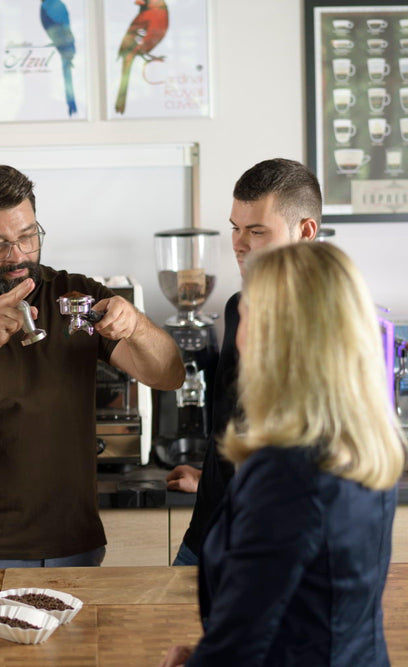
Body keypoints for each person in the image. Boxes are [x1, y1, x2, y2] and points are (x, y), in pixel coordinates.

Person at [0, 165, 184, 568]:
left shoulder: (75, 294)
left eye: (28, 237)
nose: (18, 257)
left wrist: (136, 326)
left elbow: (169, 375)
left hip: (77, 544)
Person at [160, 242, 406, 666]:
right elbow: (304, 609)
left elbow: (241, 641)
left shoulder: (287, 474)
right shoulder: (362, 443)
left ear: (277, 335)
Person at [166, 158, 319, 566]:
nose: (239, 243)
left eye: (256, 231)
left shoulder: (329, 321)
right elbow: (236, 417)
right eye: (236, 228)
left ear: (305, 231)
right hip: (204, 537)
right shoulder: (239, 306)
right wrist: (211, 477)